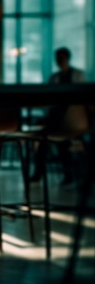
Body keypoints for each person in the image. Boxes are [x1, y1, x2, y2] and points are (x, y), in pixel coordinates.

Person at [29, 47, 86, 185]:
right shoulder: (54, 77)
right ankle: (43, 172)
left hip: (72, 117)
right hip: (56, 116)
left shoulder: (78, 75)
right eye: (57, 58)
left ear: (67, 58)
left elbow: (83, 98)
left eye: (61, 58)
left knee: (56, 139)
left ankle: (64, 173)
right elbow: (48, 99)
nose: (59, 61)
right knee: (46, 139)